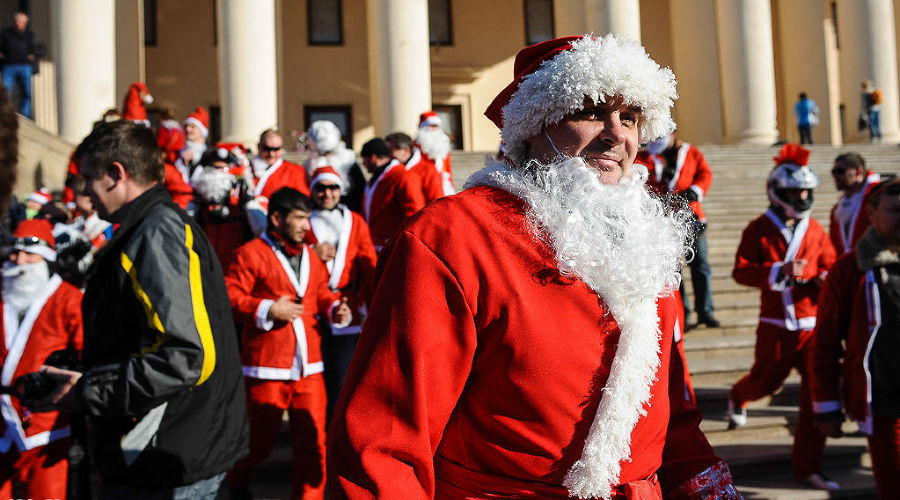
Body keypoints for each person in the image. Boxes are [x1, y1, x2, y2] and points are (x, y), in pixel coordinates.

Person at [327, 34, 739, 499]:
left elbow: (672, 416)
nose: (617, 134)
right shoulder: (453, 236)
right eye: (590, 111)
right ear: (534, 125)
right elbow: (384, 440)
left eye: (630, 117)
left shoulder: (646, 240)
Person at [30, 120, 249, 498]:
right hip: (163, 446)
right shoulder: (149, 226)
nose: (83, 193)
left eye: (88, 179)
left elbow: (185, 357)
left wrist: (90, 389)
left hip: (165, 452)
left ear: (117, 173)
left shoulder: (156, 231)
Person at [223, 187, 352, 500]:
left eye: (307, 218)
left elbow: (320, 293)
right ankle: (237, 484)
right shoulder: (248, 253)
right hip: (266, 367)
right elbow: (228, 297)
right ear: (277, 218)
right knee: (258, 442)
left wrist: (336, 307)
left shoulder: (310, 255)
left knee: (314, 445)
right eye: (298, 218)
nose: (306, 225)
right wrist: (267, 308)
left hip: (309, 367)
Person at [727, 144, 837, 491]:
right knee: (765, 382)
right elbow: (741, 272)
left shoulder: (816, 230)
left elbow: (831, 264)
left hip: (812, 326)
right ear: (777, 192)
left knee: (815, 397)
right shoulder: (757, 229)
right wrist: (778, 270)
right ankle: (738, 396)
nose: (802, 197)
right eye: (795, 192)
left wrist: (823, 278)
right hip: (776, 326)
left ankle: (808, 466)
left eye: (806, 191)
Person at [810, 178, 900, 498]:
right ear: (872, 213)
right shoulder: (850, 270)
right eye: (895, 210)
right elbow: (826, 342)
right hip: (887, 406)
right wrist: (826, 406)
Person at [0, 219, 82, 500]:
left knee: (47, 494)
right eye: (14, 253)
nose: (19, 261)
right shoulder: (3, 294)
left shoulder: (69, 298)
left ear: (46, 257)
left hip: (47, 420)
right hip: (1, 419)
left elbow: (85, 356)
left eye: (29, 254)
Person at [303, 166, 377, 416]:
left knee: (343, 375)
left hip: (348, 305)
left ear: (340, 190)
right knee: (315, 374)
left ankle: (336, 430)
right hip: (310, 307)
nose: (327, 194)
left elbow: (368, 264)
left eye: (332, 187)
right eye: (321, 188)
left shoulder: (355, 221)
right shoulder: (302, 220)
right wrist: (312, 253)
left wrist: (372, 307)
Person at [637, 131, 718, 328]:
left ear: (673, 134)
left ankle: (705, 310)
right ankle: (683, 312)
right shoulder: (644, 156)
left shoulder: (692, 153)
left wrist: (696, 190)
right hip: (663, 221)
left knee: (701, 266)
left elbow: (705, 173)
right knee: (673, 270)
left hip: (692, 217)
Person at [191, 145, 256, 267]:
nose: (217, 173)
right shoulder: (198, 202)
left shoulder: (242, 200)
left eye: (221, 168)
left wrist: (248, 201)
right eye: (213, 168)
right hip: (206, 266)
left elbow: (258, 228)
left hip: (235, 265)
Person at [358, 137, 425, 252]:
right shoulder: (375, 178)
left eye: (364, 159)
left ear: (373, 157)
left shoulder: (403, 176)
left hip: (393, 248)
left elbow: (414, 213)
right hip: (374, 247)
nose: (363, 163)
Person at [305, 120, 365, 213]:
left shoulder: (349, 161)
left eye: (329, 152)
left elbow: (360, 190)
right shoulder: (308, 164)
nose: (326, 156)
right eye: (321, 153)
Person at [830, 152, 881, 255]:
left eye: (840, 171)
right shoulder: (838, 208)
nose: (835, 176)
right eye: (833, 172)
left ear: (858, 171)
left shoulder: (878, 196)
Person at [385, 131, 444, 202]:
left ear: (406, 150)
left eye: (390, 151)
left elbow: (436, 201)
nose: (387, 156)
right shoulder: (390, 170)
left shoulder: (428, 170)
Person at [252, 128, 310, 200]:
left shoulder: (294, 171)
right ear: (258, 147)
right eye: (266, 148)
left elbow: (303, 199)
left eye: (276, 149)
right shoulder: (246, 168)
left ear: (281, 148)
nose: (271, 154)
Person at [0, 12, 35, 119]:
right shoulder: (5, 33)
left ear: (26, 23)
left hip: (25, 67)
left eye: (23, 22)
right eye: (18, 21)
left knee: (26, 93)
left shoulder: (30, 35)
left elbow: (39, 47)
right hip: (9, 66)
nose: (20, 23)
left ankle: (25, 116)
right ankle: (4, 114)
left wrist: (34, 55)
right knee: (5, 92)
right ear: (14, 21)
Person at [416, 110, 455, 196]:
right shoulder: (416, 147)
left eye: (436, 126)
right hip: (424, 186)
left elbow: (447, 169)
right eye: (431, 125)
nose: (434, 128)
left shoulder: (443, 147)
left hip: (444, 187)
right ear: (423, 127)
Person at [177, 106, 210, 180]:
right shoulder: (178, 154)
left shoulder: (210, 153)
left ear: (202, 130)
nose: (187, 129)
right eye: (186, 126)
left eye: (192, 127)